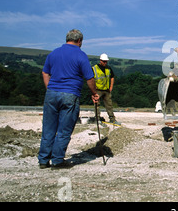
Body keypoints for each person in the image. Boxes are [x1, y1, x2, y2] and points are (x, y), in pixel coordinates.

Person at [38, 29, 99, 169]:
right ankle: (57, 160)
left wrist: (49, 88)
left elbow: (45, 72)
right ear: (79, 41)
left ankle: (43, 160)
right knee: (64, 130)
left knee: (48, 128)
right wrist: (94, 93)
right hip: (70, 94)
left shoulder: (53, 53)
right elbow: (89, 78)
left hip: (52, 93)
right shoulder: (81, 55)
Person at [93, 53, 120, 126]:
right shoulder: (94, 68)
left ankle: (112, 119)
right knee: (97, 104)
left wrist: (111, 87)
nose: (105, 63)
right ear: (100, 60)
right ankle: (97, 119)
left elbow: (112, 77)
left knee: (109, 105)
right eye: (104, 61)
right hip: (97, 89)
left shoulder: (108, 68)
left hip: (106, 90)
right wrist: (93, 90)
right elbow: (91, 79)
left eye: (106, 61)